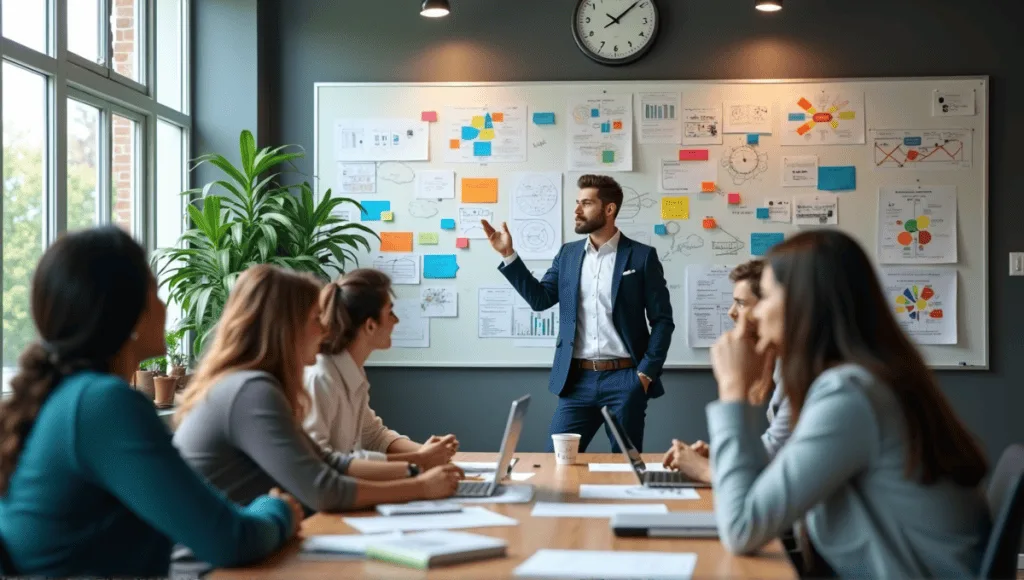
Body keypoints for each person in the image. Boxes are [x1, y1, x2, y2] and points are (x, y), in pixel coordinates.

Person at [0, 227, 301, 578]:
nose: (164, 306)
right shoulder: (101, 405)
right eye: (156, 292)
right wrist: (278, 510)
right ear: (131, 310)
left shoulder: (65, 398)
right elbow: (228, 539)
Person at [707, 230, 990, 577]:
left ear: (802, 303)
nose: (751, 315)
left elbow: (741, 529)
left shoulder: (850, 394)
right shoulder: (866, 379)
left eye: (763, 296)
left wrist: (734, 389)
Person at [173, 265, 463, 513]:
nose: (326, 330)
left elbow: (327, 462)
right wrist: (419, 486)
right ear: (286, 328)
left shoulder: (255, 387)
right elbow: (323, 488)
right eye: (316, 320)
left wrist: (415, 468)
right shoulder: (251, 392)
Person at [482, 174, 674, 453]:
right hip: (577, 380)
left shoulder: (641, 257)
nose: (577, 210)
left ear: (609, 209)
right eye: (577, 202)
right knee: (555, 460)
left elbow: (662, 321)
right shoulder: (568, 254)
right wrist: (508, 254)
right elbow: (540, 299)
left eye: (586, 203)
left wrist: (644, 374)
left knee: (625, 466)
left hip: (626, 379)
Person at [304, 269, 458, 468]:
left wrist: (426, 452)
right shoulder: (321, 377)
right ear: (370, 326)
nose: (396, 320)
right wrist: (418, 460)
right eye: (390, 312)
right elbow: (318, 463)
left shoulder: (351, 371)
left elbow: (375, 436)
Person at [662, 259, 792, 483]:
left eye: (742, 303)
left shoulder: (826, 384)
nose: (732, 313)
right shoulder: (788, 367)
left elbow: (771, 482)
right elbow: (776, 451)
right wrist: (721, 455)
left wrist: (704, 469)